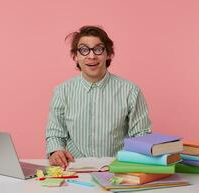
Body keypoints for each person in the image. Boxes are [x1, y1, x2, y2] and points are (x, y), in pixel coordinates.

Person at [46, 25, 152, 168]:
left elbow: (141, 135)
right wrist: (56, 151)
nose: (91, 56)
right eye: (84, 50)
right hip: (74, 169)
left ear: (108, 54)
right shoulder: (62, 91)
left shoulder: (130, 91)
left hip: (117, 169)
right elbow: (55, 134)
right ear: (75, 56)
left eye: (98, 49)